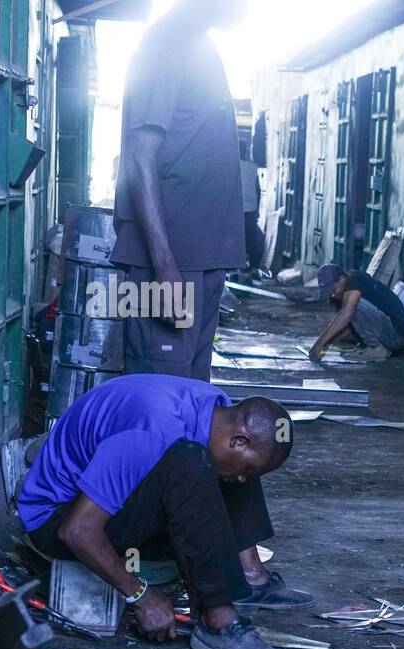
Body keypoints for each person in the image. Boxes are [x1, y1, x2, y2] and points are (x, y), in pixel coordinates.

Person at [18, 374, 314, 649]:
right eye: (247, 471)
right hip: (56, 520)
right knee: (193, 464)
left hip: (115, 497)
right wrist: (142, 597)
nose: (242, 480)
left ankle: (249, 575)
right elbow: (77, 531)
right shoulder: (151, 432)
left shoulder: (213, 405)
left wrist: (197, 584)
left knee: (224, 466)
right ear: (238, 439)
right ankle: (219, 621)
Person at [111, 0, 250, 381]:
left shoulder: (199, 45)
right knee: (160, 390)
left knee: (192, 392)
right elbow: (141, 156)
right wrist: (165, 266)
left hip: (202, 260)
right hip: (173, 264)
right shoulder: (164, 43)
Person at [309, 264, 404, 360]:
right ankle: (373, 347)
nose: (333, 294)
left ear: (342, 278)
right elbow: (348, 326)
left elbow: (347, 314)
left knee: (351, 306)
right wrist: (326, 343)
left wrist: (319, 343)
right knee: (341, 322)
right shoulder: (339, 293)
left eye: (333, 289)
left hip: (396, 336)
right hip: (386, 336)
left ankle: (376, 349)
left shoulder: (354, 280)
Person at [240, 143, 265, 272]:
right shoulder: (252, 167)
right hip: (250, 209)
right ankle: (253, 267)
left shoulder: (228, 167)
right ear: (245, 151)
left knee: (236, 239)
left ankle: (237, 267)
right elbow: (258, 190)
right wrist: (257, 208)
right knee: (252, 238)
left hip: (234, 210)